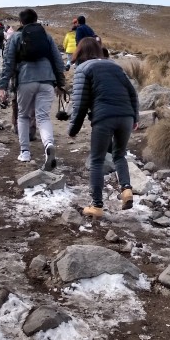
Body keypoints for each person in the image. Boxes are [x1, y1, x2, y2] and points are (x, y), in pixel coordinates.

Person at [68, 37, 139, 218]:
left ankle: (96, 206)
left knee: (97, 160)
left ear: (80, 52)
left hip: (104, 117)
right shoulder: (115, 66)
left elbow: (80, 103)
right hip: (126, 117)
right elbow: (132, 93)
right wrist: (135, 117)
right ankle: (126, 190)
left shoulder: (83, 69)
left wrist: (73, 129)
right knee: (119, 154)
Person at [0, 8, 66, 168]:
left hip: (25, 80)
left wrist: (3, 85)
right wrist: (60, 82)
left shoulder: (15, 37)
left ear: (21, 22)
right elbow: (58, 61)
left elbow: (8, 63)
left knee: (23, 116)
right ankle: (48, 145)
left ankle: (25, 152)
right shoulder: (46, 37)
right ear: (36, 20)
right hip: (47, 80)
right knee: (43, 117)